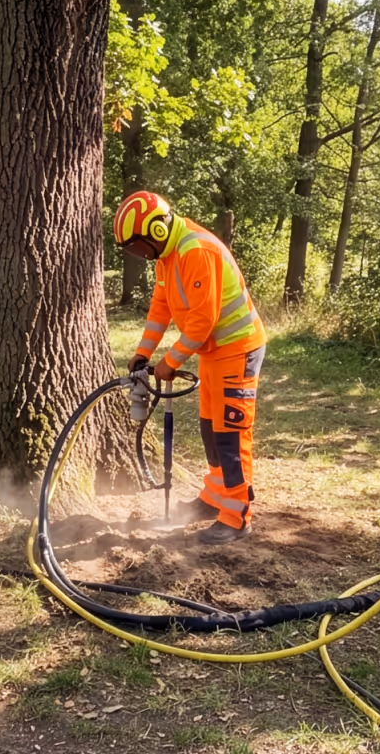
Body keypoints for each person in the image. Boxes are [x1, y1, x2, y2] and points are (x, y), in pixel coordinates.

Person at [113, 191, 267, 545]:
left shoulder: (195, 250)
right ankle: (215, 498)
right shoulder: (167, 257)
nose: (140, 255)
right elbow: (161, 307)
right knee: (210, 429)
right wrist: (142, 352)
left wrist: (169, 363)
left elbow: (202, 321)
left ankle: (236, 515)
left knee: (231, 432)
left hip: (238, 348)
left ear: (157, 229)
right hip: (214, 353)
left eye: (140, 247)